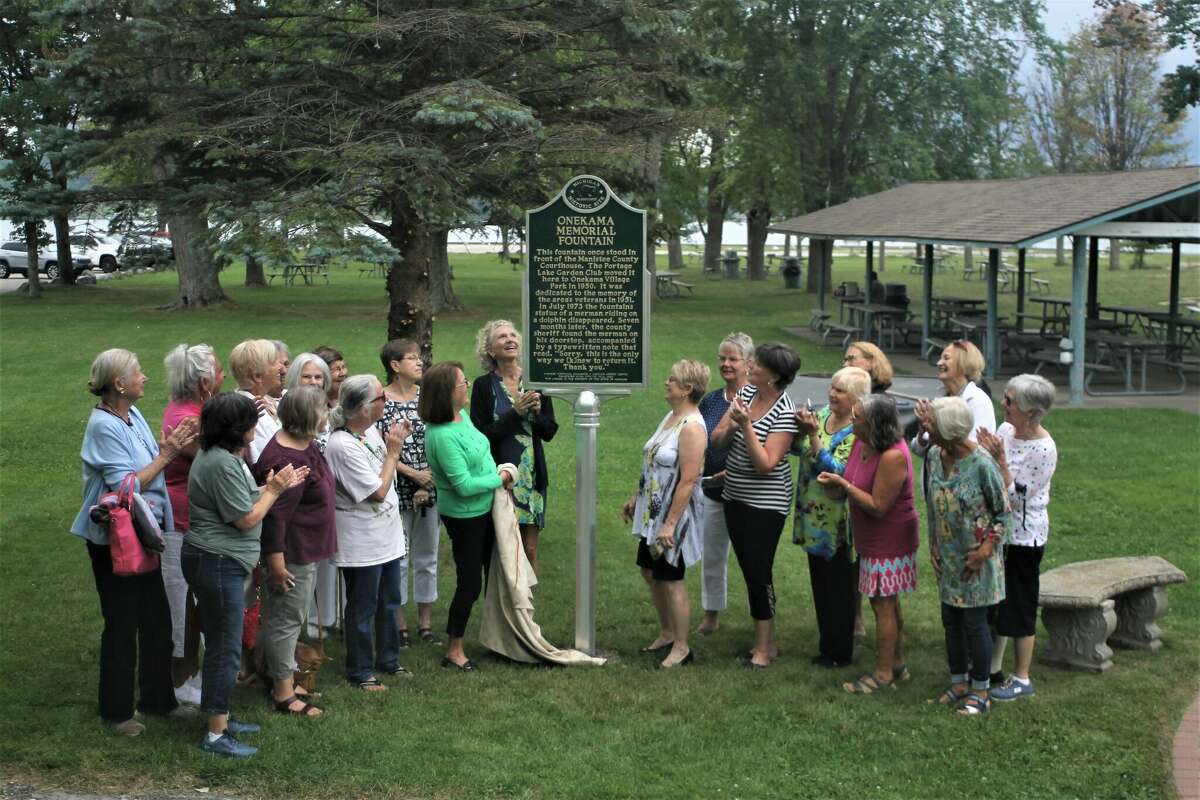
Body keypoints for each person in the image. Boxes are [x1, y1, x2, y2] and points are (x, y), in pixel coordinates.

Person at [71, 349, 198, 737]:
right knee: (123, 622)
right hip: (115, 538)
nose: (145, 378)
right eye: (138, 373)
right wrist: (169, 454)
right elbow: (125, 485)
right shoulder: (103, 426)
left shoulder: (132, 414)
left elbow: (146, 461)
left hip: (144, 532)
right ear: (119, 384)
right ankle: (117, 712)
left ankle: (159, 701)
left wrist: (162, 452)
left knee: (157, 620)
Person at [184, 392, 306, 757]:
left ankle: (220, 717)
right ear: (236, 428)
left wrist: (266, 488)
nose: (256, 426)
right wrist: (274, 489)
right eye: (250, 421)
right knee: (224, 648)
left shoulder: (224, 458)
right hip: (217, 561)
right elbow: (246, 518)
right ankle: (216, 734)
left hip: (220, 560)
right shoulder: (220, 463)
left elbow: (241, 499)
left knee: (226, 643)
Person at [816, 394, 919, 693]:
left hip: (890, 538)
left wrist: (843, 486)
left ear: (875, 424)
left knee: (882, 604)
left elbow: (877, 505)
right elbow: (852, 479)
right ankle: (897, 663)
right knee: (886, 601)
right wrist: (838, 485)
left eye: (857, 416)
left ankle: (883, 674)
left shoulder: (893, 455)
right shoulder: (862, 442)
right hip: (869, 537)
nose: (852, 420)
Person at [710, 342, 801, 669]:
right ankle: (767, 642)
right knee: (749, 568)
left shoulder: (785, 412)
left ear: (774, 376)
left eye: (757, 363)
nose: (750, 365)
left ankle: (764, 648)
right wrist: (734, 422)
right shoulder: (747, 394)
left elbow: (766, 464)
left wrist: (746, 426)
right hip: (734, 496)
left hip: (766, 504)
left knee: (759, 569)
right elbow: (717, 438)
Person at [422, 362, 516, 671]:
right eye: (464, 383)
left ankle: (501, 637)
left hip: (487, 508)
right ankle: (454, 648)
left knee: (498, 574)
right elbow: (462, 486)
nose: (468, 387)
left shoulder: (461, 418)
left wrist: (497, 470)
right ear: (449, 393)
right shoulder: (443, 436)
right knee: (470, 582)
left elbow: (483, 450)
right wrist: (500, 478)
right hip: (465, 517)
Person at [922, 396, 1010, 716]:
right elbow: (932, 503)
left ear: (948, 429)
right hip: (948, 556)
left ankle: (981, 690)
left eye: (931, 422)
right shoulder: (934, 455)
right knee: (951, 621)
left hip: (977, 561)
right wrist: (933, 543)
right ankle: (958, 683)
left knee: (975, 623)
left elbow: (1004, 515)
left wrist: (984, 551)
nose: (926, 426)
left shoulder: (983, 464)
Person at [253, 386, 338, 716]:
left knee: (289, 617)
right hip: (291, 555)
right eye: (322, 411)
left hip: (306, 549)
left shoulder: (304, 442)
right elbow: (276, 518)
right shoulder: (286, 460)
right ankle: (283, 692)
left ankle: (277, 674)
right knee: (286, 620)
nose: (326, 417)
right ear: (307, 416)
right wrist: (276, 563)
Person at [323, 375, 411, 690]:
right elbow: (376, 491)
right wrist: (393, 452)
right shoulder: (341, 445)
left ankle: (389, 660)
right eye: (380, 399)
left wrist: (392, 445)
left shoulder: (369, 430)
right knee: (363, 605)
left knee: (390, 599)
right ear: (363, 408)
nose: (385, 402)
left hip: (386, 534)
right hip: (361, 539)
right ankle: (360, 670)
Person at [621, 360, 709, 668]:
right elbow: (652, 462)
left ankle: (682, 647)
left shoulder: (693, 427)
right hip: (652, 515)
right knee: (649, 571)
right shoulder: (671, 417)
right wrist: (637, 496)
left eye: (672, 380)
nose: (666, 383)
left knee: (672, 579)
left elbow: (688, 480)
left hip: (674, 519)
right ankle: (668, 632)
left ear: (688, 388)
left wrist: (670, 524)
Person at [977, 374, 1057, 702]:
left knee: (1021, 603)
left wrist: (998, 460)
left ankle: (1022, 677)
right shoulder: (1006, 430)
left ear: (1028, 410)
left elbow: (1019, 498)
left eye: (1009, 401)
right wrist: (986, 454)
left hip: (1024, 537)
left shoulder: (1044, 448)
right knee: (996, 601)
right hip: (998, 530)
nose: (1003, 404)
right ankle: (991, 666)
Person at [793, 366, 871, 668]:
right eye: (832, 387)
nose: (832, 394)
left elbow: (835, 471)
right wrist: (800, 433)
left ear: (856, 398)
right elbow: (799, 452)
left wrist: (813, 436)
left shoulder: (857, 430)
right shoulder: (823, 415)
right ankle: (826, 645)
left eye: (840, 390)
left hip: (837, 521)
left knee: (838, 586)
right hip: (812, 514)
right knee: (820, 583)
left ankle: (841, 651)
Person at [161, 343, 225, 706]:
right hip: (182, 521)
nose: (223, 376)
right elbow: (218, 463)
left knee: (195, 601)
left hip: (194, 519)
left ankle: (193, 672)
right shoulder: (188, 420)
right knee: (182, 603)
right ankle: (179, 679)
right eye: (218, 372)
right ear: (203, 383)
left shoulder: (191, 410)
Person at [470, 320, 558, 575]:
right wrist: (515, 413)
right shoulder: (484, 386)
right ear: (490, 350)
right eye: (501, 337)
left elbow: (549, 431)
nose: (509, 340)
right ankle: (504, 605)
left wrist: (539, 413)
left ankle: (526, 611)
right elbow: (481, 437)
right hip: (501, 477)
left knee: (530, 549)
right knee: (504, 549)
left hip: (533, 478)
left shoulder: (535, 381)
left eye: (512, 335)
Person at [378, 339, 441, 646]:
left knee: (428, 555)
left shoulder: (427, 398)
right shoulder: (381, 401)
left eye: (420, 358)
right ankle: (399, 624)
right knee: (399, 558)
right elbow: (378, 449)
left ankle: (426, 624)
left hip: (431, 488)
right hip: (396, 488)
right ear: (395, 365)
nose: (420, 364)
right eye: (413, 359)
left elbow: (441, 438)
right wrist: (413, 475)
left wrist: (428, 481)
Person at [695, 332, 753, 636]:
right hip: (713, 491)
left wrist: (734, 472)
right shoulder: (713, 401)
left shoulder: (757, 401)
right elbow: (702, 440)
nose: (726, 364)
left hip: (748, 493)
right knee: (713, 554)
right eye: (722, 358)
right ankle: (711, 615)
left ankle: (761, 618)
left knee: (752, 557)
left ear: (749, 364)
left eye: (733, 359)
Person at [284, 352, 339, 635]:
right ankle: (306, 626)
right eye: (307, 377)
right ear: (295, 378)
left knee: (325, 564)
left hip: (326, 496)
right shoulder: (288, 408)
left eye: (319, 377)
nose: (314, 382)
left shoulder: (327, 412)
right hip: (302, 498)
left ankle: (323, 621)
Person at [229, 339, 288, 466]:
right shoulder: (250, 413)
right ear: (257, 376)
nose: (281, 368)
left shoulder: (256, 404)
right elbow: (264, 463)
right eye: (274, 362)